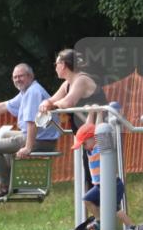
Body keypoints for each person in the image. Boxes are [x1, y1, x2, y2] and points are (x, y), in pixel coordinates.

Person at [0, 63, 59, 197]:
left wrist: (28, 147)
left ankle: (5, 184)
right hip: (40, 136)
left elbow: (32, 122)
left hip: (40, 140)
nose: (17, 80)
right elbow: (5, 106)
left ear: (30, 76)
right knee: (5, 135)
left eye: (20, 76)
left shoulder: (33, 92)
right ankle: (10, 180)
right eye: (14, 77)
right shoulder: (27, 91)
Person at [38, 48, 107, 188]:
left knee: (98, 192)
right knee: (92, 192)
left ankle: (113, 210)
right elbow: (52, 100)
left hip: (100, 140)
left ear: (63, 64)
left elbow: (68, 102)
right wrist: (46, 104)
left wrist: (51, 106)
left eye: (55, 64)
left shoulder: (81, 80)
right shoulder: (68, 83)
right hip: (88, 141)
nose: (55, 67)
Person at [70, 116, 138, 230]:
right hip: (100, 185)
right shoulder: (90, 148)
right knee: (88, 200)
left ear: (94, 138)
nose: (84, 147)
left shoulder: (100, 147)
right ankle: (100, 221)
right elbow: (90, 128)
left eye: (84, 143)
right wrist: (92, 112)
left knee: (113, 208)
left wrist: (100, 114)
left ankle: (132, 227)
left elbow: (98, 130)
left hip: (112, 184)